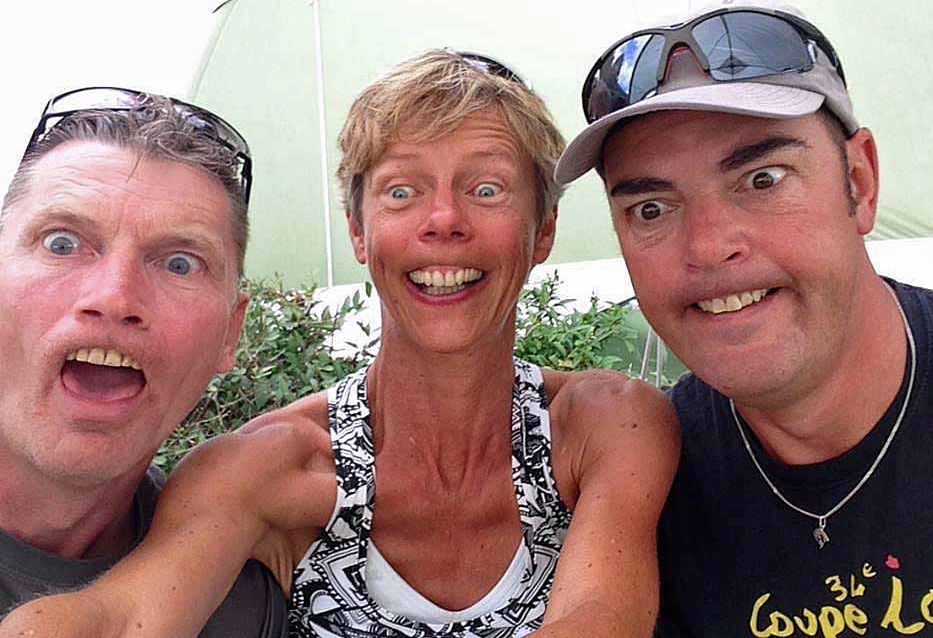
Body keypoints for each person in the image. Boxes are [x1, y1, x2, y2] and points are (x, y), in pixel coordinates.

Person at [1, 51, 678, 638]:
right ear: (358, 231)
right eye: (402, 191)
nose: (444, 219)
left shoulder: (603, 425)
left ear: (543, 230)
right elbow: (122, 617)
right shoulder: (265, 468)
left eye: (486, 188)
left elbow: (599, 619)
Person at [554, 0, 933, 636]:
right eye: (651, 209)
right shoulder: (648, 479)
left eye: (763, 179)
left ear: (859, 181)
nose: (709, 246)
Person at [0, 88, 286, 636]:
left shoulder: (239, 600)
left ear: (230, 333)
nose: (115, 296)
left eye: (180, 263)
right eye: (62, 244)